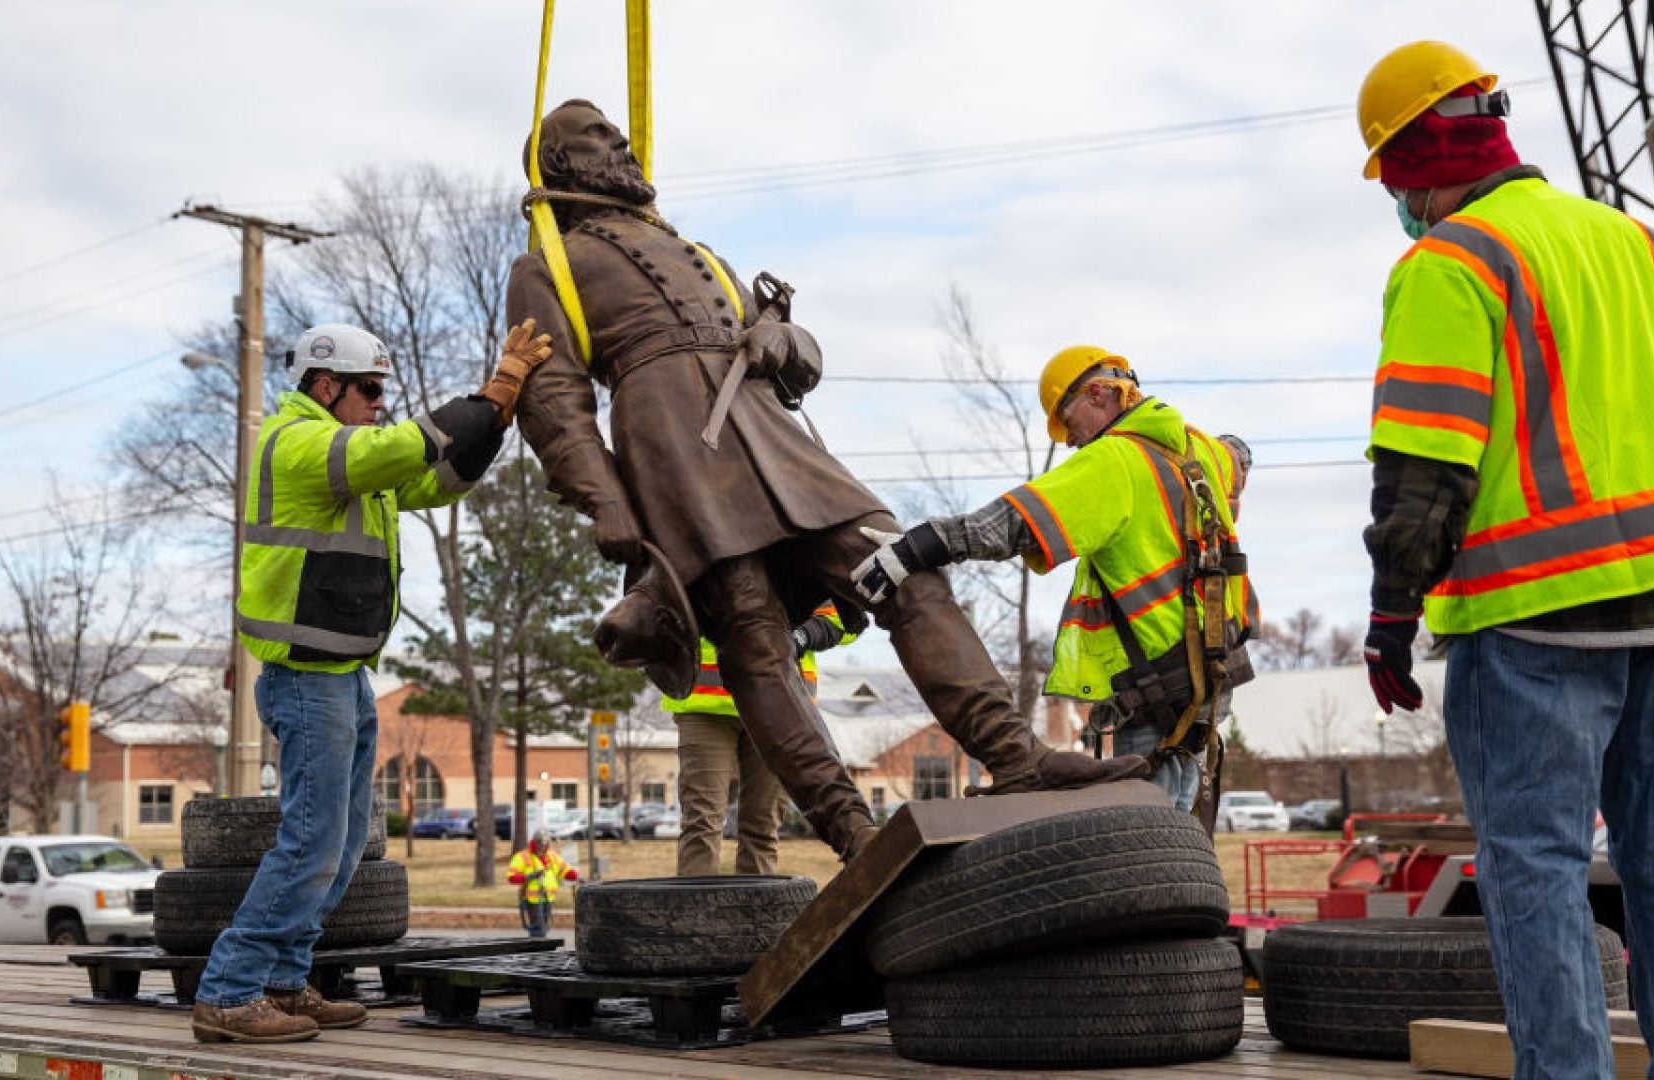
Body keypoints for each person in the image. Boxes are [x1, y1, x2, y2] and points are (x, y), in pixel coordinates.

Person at [507, 99, 1149, 863]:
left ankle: (1014, 756)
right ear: (561, 163)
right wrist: (605, 500)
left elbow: (800, 362)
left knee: (905, 570)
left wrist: (784, 337)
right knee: (751, 633)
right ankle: (850, 828)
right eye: (600, 137)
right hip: (677, 457)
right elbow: (553, 402)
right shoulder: (544, 265)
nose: (623, 145)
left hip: (780, 447)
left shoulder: (696, 250)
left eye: (619, 133)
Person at [1353, 41, 1654, 1079]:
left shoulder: (1452, 263)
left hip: (1534, 620)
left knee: (1537, 870)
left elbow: (1423, 476)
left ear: (1407, 165)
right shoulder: (1635, 243)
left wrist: (1393, 615)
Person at [190, 319, 551, 1044]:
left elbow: (439, 479)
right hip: (305, 677)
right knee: (313, 837)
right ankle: (229, 991)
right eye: (370, 389)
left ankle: (286, 984)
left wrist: (495, 421)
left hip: (343, 674)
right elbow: (399, 448)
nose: (381, 402)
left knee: (348, 836)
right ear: (326, 386)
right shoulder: (300, 443)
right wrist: (491, 391)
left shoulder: (351, 457)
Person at [853, 347, 1257, 819]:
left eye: (1068, 422)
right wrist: (1230, 472)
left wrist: (918, 547)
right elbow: (1240, 453)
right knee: (1183, 836)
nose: (1069, 441)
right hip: (1211, 677)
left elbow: (1013, 522)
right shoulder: (1201, 449)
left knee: (1150, 843)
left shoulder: (1114, 460)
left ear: (1100, 394)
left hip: (1157, 690)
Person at [666, 605, 852, 875]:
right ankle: (696, 915)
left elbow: (843, 615)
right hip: (706, 705)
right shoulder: (701, 560)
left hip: (779, 706)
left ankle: (756, 914)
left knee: (762, 826)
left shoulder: (801, 562)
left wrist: (801, 636)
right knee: (701, 823)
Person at [507, 831, 577, 939]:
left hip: (548, 897)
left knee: (544, 928)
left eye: (545, 845)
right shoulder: (523, 856)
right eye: (540, 844)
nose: (542, 847)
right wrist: (529, 876)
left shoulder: (552, 855)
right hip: (533, 900)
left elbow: (564, 870)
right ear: (534, 843)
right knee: (538, 930)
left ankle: (538, 947)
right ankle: (537, 950)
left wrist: (576, 876)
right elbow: (512, 877)